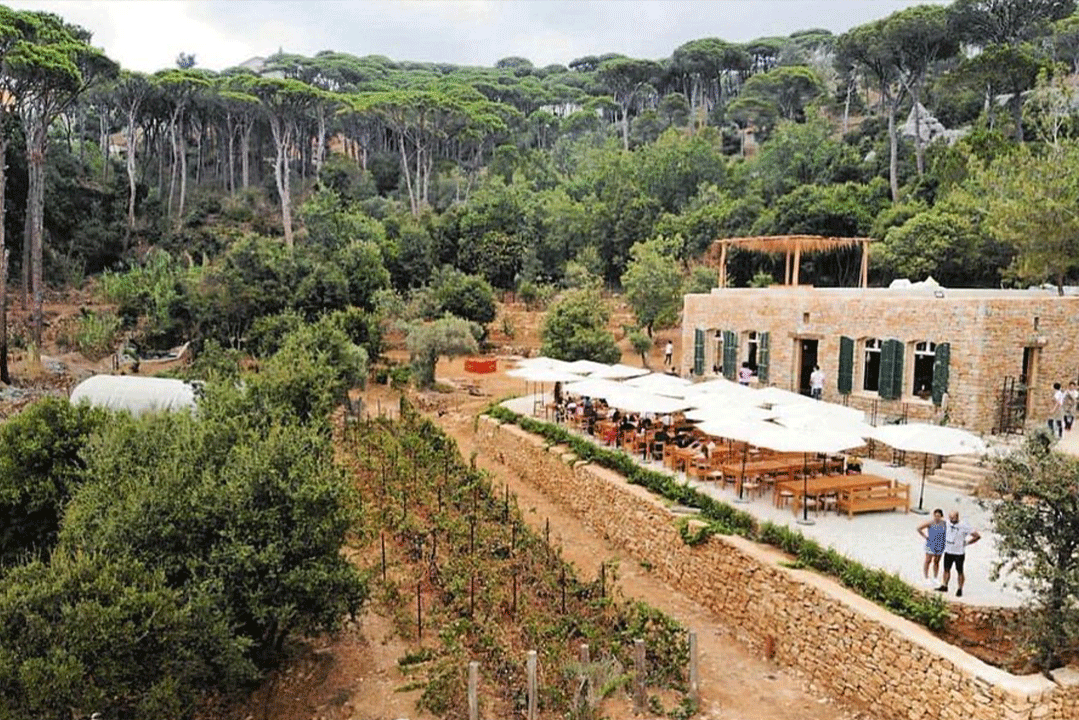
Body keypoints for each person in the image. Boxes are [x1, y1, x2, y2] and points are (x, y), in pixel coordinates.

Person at [936, 510, 980, 597]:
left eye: (953, 518)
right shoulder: (947, 523)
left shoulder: (964, 526)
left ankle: (960, 588)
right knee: (946, 569)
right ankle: (944, 585)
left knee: (959, 570)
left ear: (957, 517)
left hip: (959, 552)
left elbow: (977, 536)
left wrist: (967, 543)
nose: (952, 519)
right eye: (950, 517)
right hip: (949, 550)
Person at [917, 509, 946, 586]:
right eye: (935, 516)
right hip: (931, 544)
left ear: (941, 516)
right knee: (928, 560)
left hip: (940, 544)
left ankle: (935, 577)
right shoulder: (930, 523)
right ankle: (926, 577)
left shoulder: (944, 524)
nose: (937, 517)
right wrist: (925, 536)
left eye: (938, 516)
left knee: (936, 561)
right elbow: (919, 528)